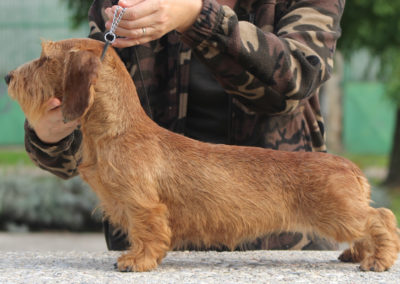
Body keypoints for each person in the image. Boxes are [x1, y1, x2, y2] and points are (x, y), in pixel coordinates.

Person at [24, 0, 345, 250]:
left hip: (282, 240)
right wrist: (50, 137)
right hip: (153, 249)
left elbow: (291, 85)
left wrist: (196, 17)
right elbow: (89, 138)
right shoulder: (123, 5)